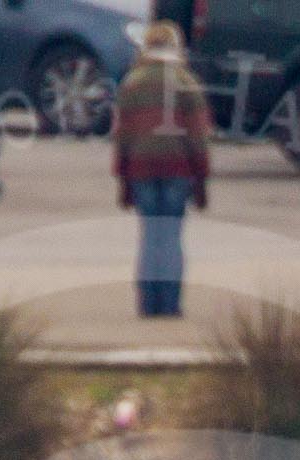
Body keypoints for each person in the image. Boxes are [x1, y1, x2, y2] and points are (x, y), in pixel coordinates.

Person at [113, 20, 211, 319]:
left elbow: (122, 137)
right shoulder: (187, 82)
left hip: (141, 170)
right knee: (170, 237)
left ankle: (147, 304)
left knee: (149, 236)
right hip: (179, 171)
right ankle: (169, 305)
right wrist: (201, 179)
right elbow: (198, 136)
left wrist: (123, 180)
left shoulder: (131, 83)